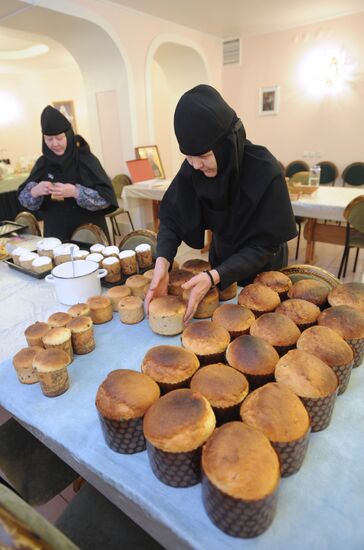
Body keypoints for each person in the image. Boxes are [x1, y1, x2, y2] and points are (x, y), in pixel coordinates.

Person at [145, 84, 297, 323]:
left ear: (226, 145)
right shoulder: (194, 167)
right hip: (221, 261)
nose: (195, 165)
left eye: (203, 156)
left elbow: (264, 245)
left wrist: (215, 275)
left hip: (263, 269)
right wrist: (162, 262)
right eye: (188, 156)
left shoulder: (265, 170)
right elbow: (173, 217)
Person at [17, 105, 118, 241]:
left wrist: (76, 192)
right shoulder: (43, 163)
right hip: (56, 235)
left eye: (59, 138)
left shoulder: (86, 159)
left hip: (89, 234)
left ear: (69, 135)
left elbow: (106, 199)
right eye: (49, 139)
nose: (54, 144)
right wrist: (35, 191)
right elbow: (25, 200)